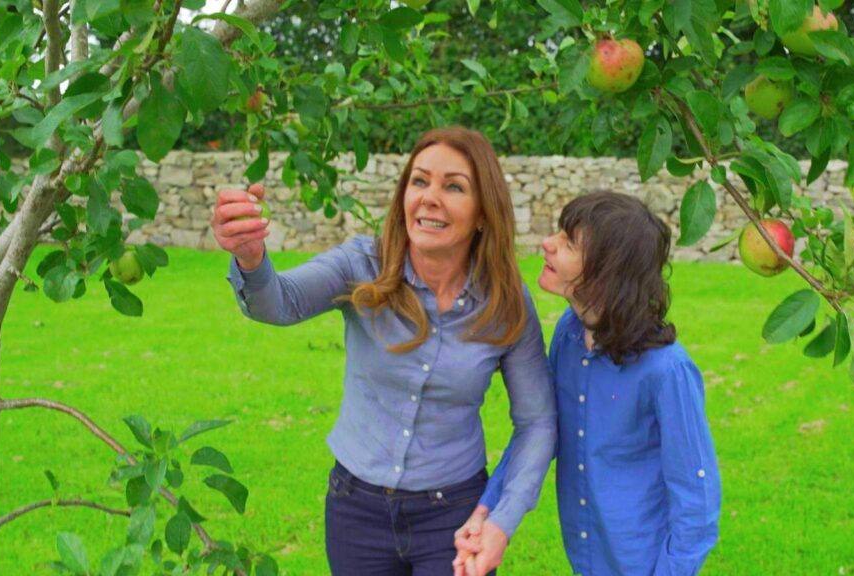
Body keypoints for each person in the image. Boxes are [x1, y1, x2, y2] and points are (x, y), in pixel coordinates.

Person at [211, 127, 556, 575]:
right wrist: (250, 259)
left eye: (453, 186)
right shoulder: (361, 266)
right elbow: (280, 302)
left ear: (484, 213)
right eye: (419, 181)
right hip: (357, 512)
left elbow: (536, 422)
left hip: (455, 515)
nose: (430, 197)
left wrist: (501, 520)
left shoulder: (506, 302)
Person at [454, 191, 721, 576]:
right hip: (586, 560)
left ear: (605, 272)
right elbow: (541, 430)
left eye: (567, 243)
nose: (546, 244)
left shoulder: (667, 371)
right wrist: (488, 510)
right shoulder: (569, 334)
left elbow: (697, 498)